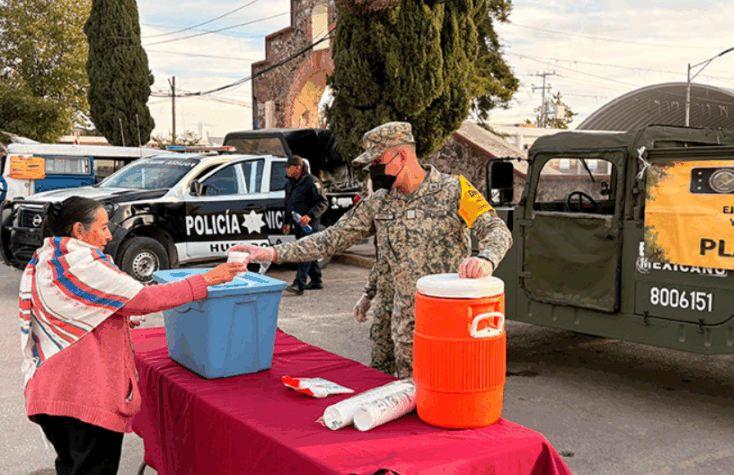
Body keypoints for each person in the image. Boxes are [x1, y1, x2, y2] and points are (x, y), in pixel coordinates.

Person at [231, 121, 513, 378]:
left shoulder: (455, 190)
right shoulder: (379, 202)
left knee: (448, 401)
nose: (374, 170)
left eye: (378, 162)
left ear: (402, 156)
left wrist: (486, 259)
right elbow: (331, 238)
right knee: (405, 401)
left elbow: (496, 229)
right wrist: (273, 253)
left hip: (448, 325)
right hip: (405, 331)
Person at [20, 196, 245, 475]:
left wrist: (120, 316)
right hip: (80, 396)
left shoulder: (50, 257)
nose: (108, 234)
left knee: (72, 468)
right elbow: (146, 298)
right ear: (79, 230)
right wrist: (207, 279)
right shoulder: (82, 263)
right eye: (102, 227)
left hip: (52, 392)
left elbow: (78, 311)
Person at [282, 154, 328, 295]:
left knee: (304, 251)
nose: (286, 171)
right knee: (309, 251)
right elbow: (288, 204)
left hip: (309, 223)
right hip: (297, 222)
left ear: (297, 168)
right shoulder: (290, 183)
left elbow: (323, 203)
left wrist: (310, 216)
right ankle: (316, 280)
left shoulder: (312, 182)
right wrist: (287, 222)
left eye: (288, 168)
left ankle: (299, 284)